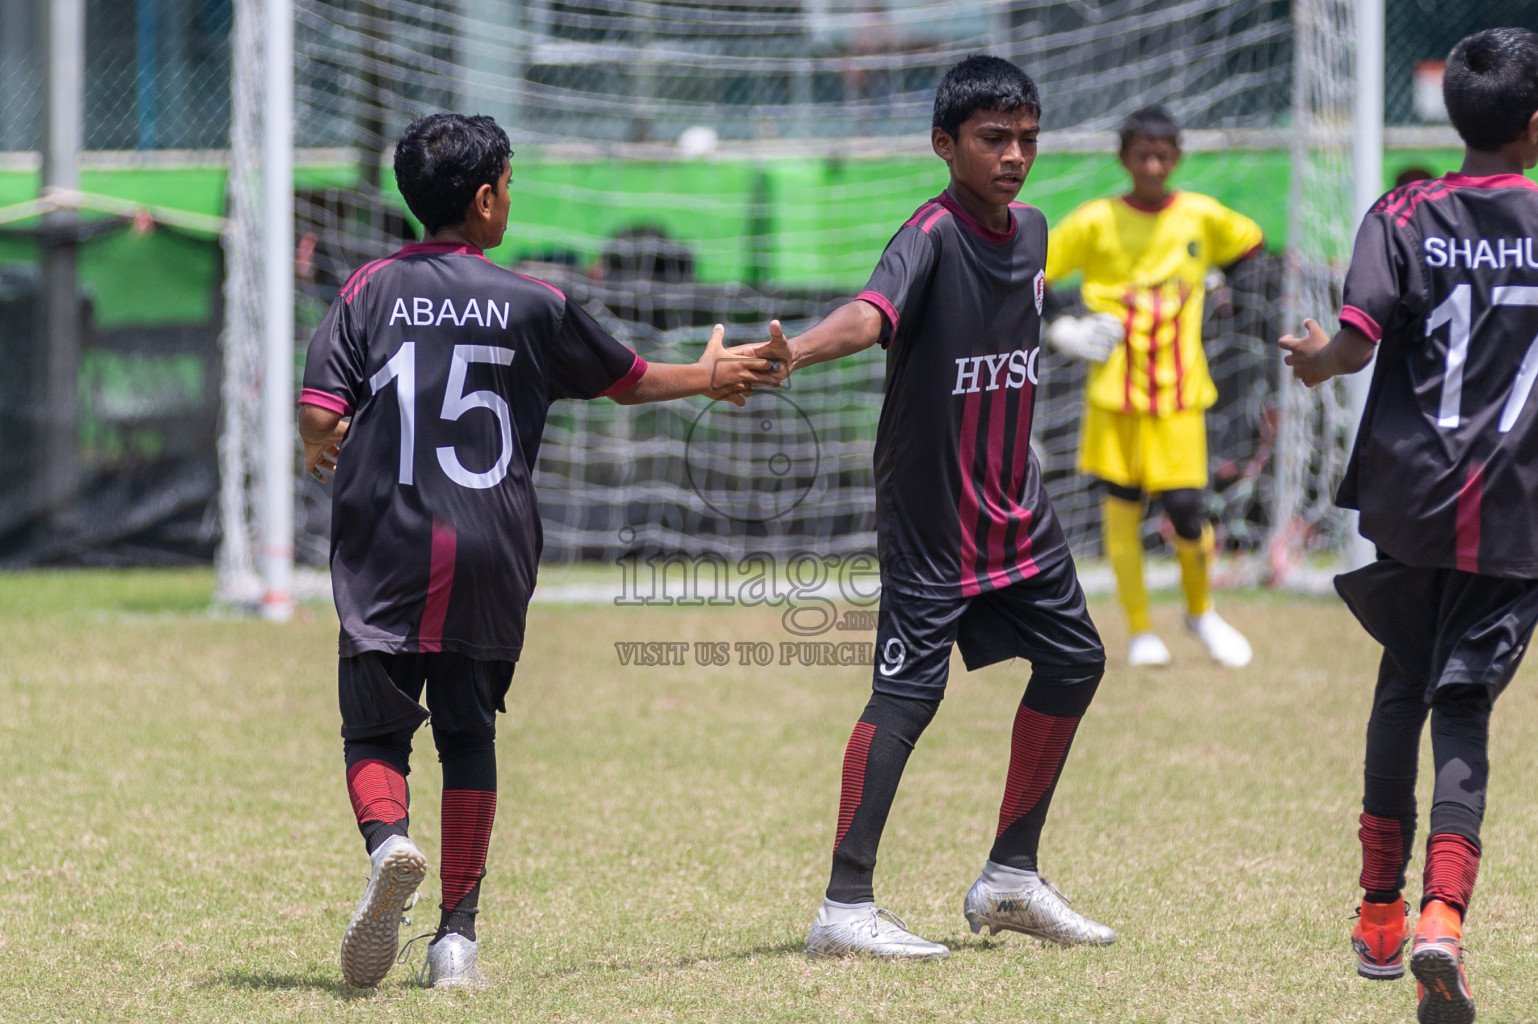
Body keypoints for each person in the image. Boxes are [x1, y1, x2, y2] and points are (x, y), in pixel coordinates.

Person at [298, 112, 782, 989]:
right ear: (487, 199)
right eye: (511, 185)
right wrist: (716, 373)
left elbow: (321, 415)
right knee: (469, 735)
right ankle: (456, 943)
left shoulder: (366, 290)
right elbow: (631, 382)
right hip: (493, 546)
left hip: (389, 544)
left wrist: (316, 443)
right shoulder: (536, 300)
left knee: (374, 731)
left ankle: (390, 843)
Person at [760, 54, 1114, 960]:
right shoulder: (927, 233)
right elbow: (871, 315)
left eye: (1027, 138)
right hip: (935, 523)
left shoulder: (1034, 232)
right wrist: (793, 352)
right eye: (994, 139)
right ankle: (844, 909)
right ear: (944, 144)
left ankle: (1010, 879)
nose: (1015, 156)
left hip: (1019, 514)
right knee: (908, 696)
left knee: (1076, 662)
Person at [1280, 28, 1538, 1024]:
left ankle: (1378, 914)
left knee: (1398, 689)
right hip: (1514, 509)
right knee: (1462, 712)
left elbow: (1354, 339)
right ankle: (1441, 917)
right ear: (1531, 124)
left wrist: (1314, 357)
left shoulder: (1401, 210)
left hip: (1409, 496)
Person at [1043, 106, 1263, 668]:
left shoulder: (1200, 216)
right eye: (1141, 154)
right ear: (1123, 158)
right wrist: (1062, 328)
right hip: (1113, 393)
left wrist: (1221, 281)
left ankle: (1200, 611)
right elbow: (1033, 272)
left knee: (1189, 510)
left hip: (1180, 394)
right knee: (1121, 507)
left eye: (1163, 154)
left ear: (1177, 157)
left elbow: (1252, 246)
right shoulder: (1095, 221)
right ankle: (1140, 630)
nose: (1152, 164)